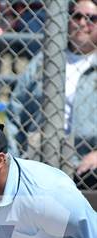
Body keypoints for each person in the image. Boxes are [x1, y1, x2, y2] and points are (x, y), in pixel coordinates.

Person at [6, 0, 97, 189]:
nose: (81, 23)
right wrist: (13, 162)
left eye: (91, 18)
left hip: (86, 161)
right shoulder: (44, 60)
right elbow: (16, 110)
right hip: (40, 155)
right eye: (77, 16)